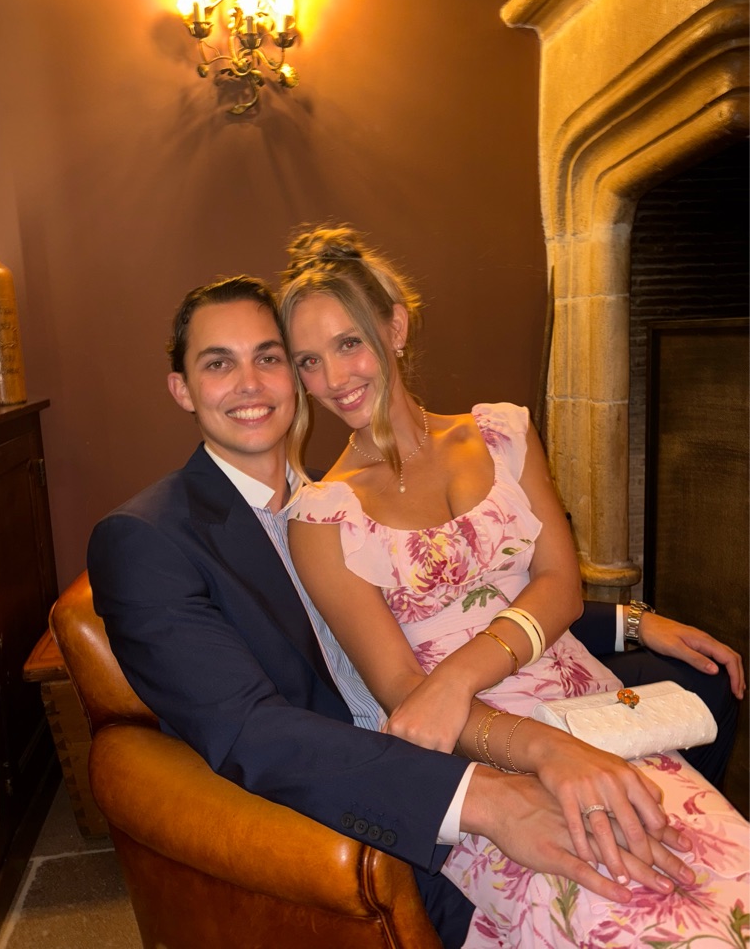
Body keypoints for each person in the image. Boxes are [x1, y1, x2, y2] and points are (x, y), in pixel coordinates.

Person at [87, 276, 708, 949]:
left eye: (268, 357)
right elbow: (248, 732)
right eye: (217, 363)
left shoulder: (328, 501)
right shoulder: (147, 537)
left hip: (475, 723)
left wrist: (629, 623)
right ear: (181, 389)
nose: (249, 383)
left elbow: (454, 605)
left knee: (691, 839)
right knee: (640, 908)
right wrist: (485, 797)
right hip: (398, 808)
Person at [278, 225, 749, 948]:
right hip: (473, 749)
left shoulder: (500, 434)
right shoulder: (321, 516)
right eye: (309, 361)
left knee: (725, 871)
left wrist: (456, 676)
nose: (334, 377)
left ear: (395, 328)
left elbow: (560, 586)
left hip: (589, 708)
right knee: (626, 914)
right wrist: (496, 724)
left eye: (348, 343)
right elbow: (406, 696)